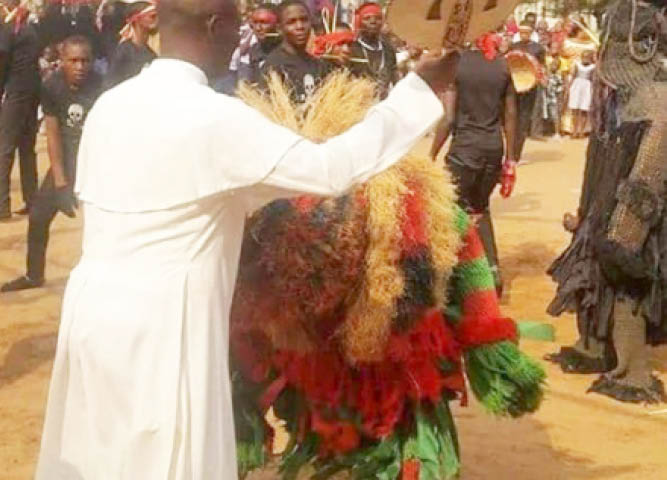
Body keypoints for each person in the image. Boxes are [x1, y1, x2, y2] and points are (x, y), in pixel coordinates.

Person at [33, 0, 459, 476]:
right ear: (216, 26)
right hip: (166, 329)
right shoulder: (213, 119)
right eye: (237, 25)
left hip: (92, 320)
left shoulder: (110, 107)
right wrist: (420, 88)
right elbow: (331, 168)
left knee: (94, 459)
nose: (242, 38)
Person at [547, 0, 667, 403]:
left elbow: (649, 170)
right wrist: (588, 213)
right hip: (604, 205)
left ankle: (631, 370)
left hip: (636, 215)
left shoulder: (656, 101)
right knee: (594, 278)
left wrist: (626, 230)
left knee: (627, 286)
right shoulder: (617, 96)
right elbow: (599, 152)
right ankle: (595, 348)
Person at [2, 36, 103, 293]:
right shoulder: (51, 86)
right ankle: (34, 274)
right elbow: (53, 133)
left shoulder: (101, 85)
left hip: (97, 161)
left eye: (85, 61)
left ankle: (102, 282)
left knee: (101, 223)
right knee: (37, 217)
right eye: (73, 61)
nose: (80, 66)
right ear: (61, 61)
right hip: (67, 159)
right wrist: (60, 181)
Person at [430, 33, 517, 295]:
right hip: (493, 151)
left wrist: (432, 154)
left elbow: (448, 119)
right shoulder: (503, 65)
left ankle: (452, 280)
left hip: (464, 152)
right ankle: (492, 273)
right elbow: (511, 115)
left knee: (451, 212)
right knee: (481, 209)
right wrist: (510, 159)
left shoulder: (457, 65)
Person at [0, 0, 42, 219]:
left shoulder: (9, 29)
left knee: (5, 149)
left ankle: (2, 205)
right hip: (32, 91)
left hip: (15, 91)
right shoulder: (30, 27)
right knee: (27, 148)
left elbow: (2, 62)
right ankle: (32, 200)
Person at [260, 0, 329, 103]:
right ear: (279, 28)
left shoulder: (318, 65)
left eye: (304, 20)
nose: (300, 26)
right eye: (291, 22)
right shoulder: (273, 67)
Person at [510, 21, 545, 160]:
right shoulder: (514, 46)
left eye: (527, 32)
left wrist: (540, 78)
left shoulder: (538, 48)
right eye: (521, 32)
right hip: (513, 87)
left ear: (531, 33)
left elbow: (541, 66)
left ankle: (517, 154)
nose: (524, 34)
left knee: (523, 120)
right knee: (512, 118)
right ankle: (510, 152)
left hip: (530, 88)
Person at [348, 1, 398, 98]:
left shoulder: (388, 49)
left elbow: (395, 77)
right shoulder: (352, 49)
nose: (373, 21)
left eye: (378, 18)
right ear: (359, 23)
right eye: (367, 18)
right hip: (359, 103)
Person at [105, 0, 157, 88]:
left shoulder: (151, 55)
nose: (156, 20)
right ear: (137, 19)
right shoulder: (122, 52)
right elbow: (110, 84)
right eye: (152, 16)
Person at [237, 3, 280, 84]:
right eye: (255, 23)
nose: (258, 28)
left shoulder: (288, 51)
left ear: (277, 25)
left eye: (264, 23)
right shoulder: (254, 51)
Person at [567, 49, 595, 138]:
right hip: (577, 86)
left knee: (584, 110)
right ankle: (574, 130)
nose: (585, 59)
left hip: (587, 87)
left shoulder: (593, 67)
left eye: (587, 57)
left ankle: (581, 131)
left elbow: (593, 79)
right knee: (575, 109)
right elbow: (573, 76)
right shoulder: (577, 65)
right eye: (584, 56)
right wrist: (569, 88)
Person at [543, 56, 564, 138]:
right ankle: (548, 131)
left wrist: (560, 100)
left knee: (555, 116)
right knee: (548, 115)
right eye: (552, 64)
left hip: (554, 98)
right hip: (546, 97)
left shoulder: (558, 76)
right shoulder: (547, 74)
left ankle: (557, 132)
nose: (553, 66)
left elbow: (560, 89)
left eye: (556, 65)